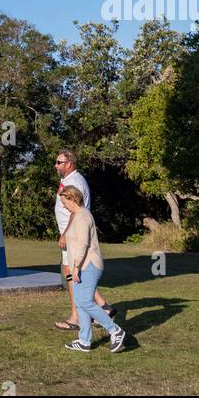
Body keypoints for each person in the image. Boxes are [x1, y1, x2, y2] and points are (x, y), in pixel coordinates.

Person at [53, 149, 116, 332]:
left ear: (69, 164)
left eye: (59, 162)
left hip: (73, 236)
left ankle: (77, 317)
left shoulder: (74, 181)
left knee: (72, 273)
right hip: (70, 235)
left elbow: (76, 210)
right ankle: (104, 306)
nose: (56, 165)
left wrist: (65, 234)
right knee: (73, 273)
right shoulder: (68, 181)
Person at [59, 185, 126, 352]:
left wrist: (76, 267)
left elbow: (83, 244)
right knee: (81, 303)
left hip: (88, 265)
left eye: (64, 201)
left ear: (72, 198)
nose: (63, 205)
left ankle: (115, 330)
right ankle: (84, 341)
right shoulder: (77, 216)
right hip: (83, 265)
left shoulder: (82, 216)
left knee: (84, 301)